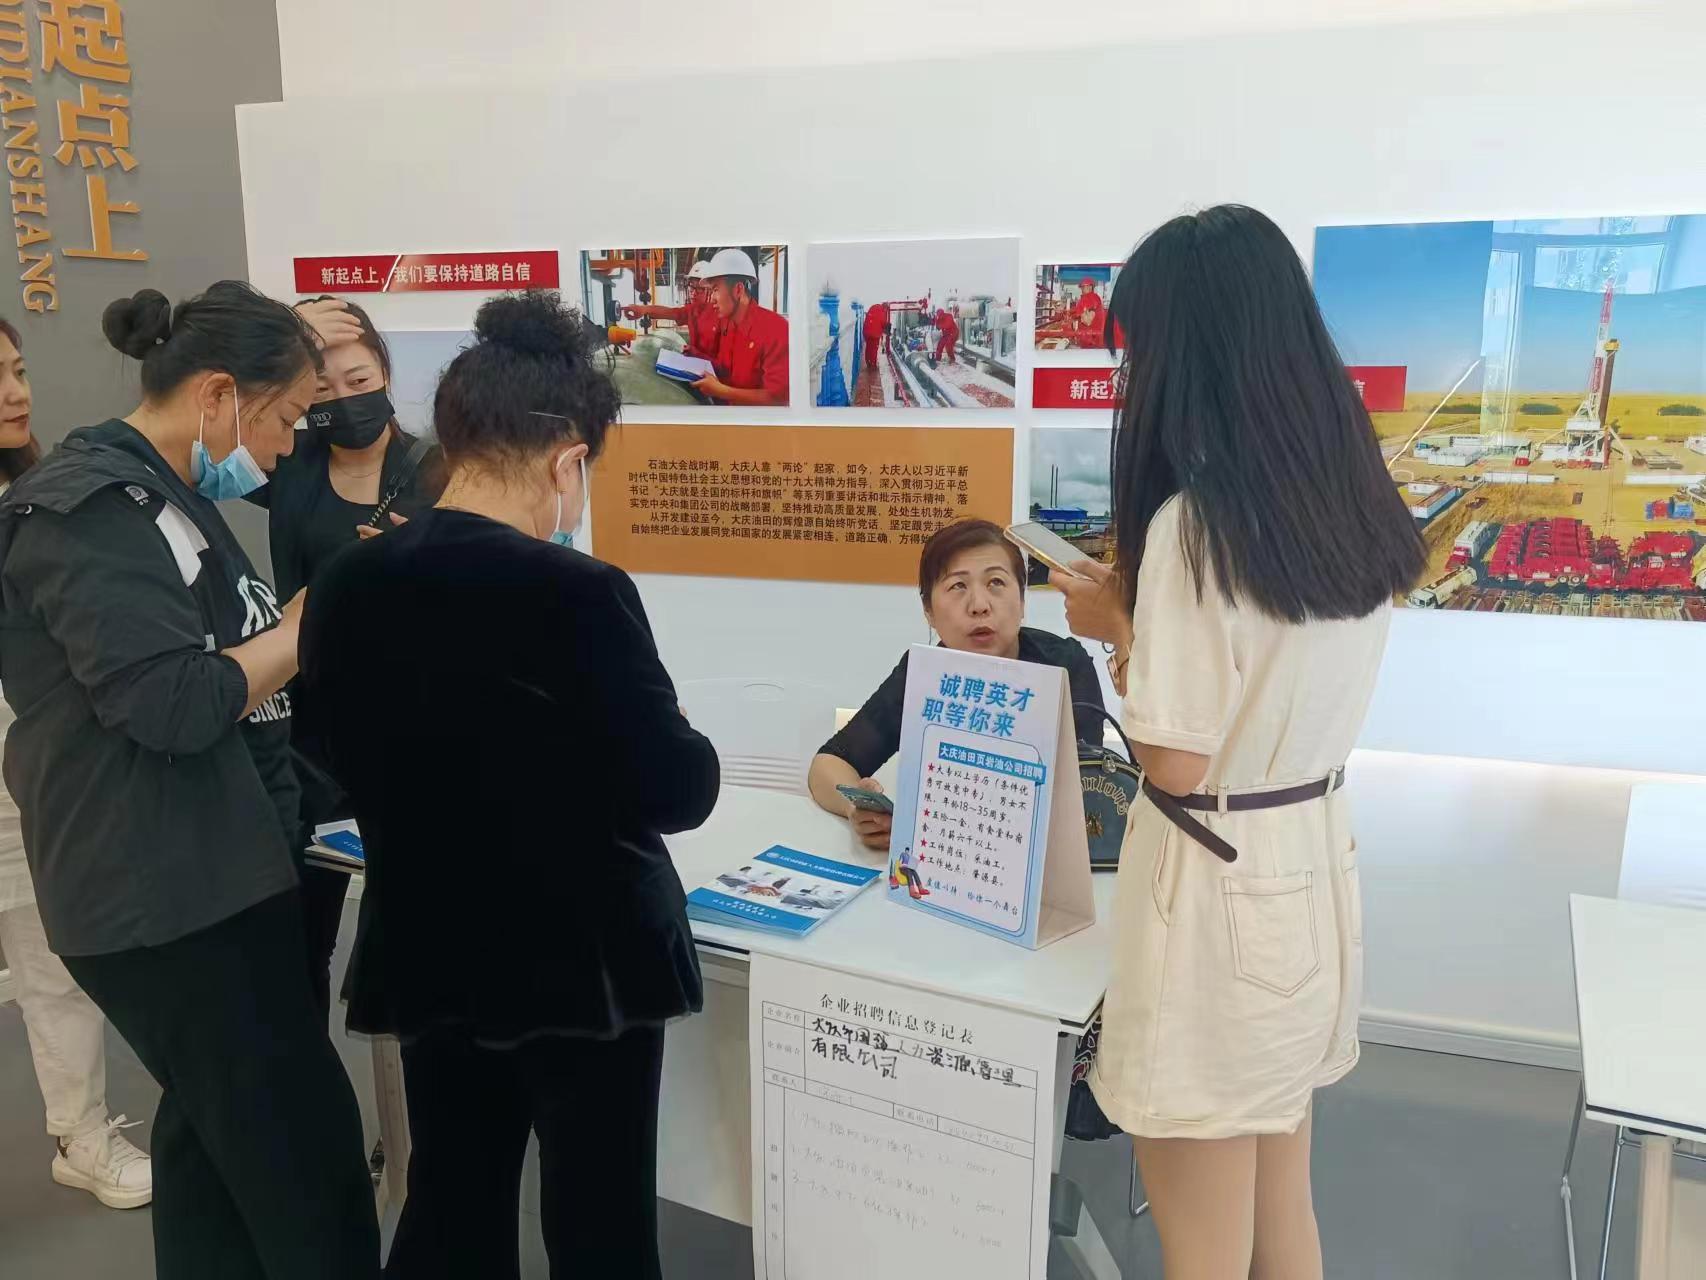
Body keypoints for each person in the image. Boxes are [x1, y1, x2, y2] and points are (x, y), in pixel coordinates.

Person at [297, 290, 719, 1280]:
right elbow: (675, 788)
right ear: (569, 460)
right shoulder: (581, 591)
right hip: (586, 965)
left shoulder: (348, 583)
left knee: (452, 1202)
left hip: (430, 946)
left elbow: (330, 758)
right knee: (600, 1221)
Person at [1049, 205, 1425, 1280]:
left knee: (1204, 1245)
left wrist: (1120, 624)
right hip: (1309, 867)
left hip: (1212, 894)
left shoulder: (1193, 528)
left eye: (1141, 350)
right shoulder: (1351, 503)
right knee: (1282, 1214)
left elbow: (1175, 760)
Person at [0, 282, 380, 1279]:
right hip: (167, 896)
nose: (286, 449)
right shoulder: (88, 510)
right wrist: (307, 625)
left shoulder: (166, 498)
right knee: (307, 1165)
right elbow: (170, 701)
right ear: (218, 395)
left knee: (212, 1147)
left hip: (215, 868)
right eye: (284, 418)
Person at [247, 294, 446, 1018]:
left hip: (412, 733)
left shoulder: (439, 472)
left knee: (415, 923)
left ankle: (416, 1070)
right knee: (301, 929)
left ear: (385, 373)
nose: (343, 400)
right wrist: (291, 334)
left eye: (358, 381)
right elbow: (205, 411)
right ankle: (302, 1065)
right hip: (308, 735)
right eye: (321, 387)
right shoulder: (287, 463)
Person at [0, 316, 153, 1210]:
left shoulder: (37, 495)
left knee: (52, 961)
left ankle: (81, 1135)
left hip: (30, 772)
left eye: (18, 370)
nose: (15, 393)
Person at [807, 518, 1105, 851]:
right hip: (944, 858)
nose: (979, 605)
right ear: (929, 612)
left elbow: (1090, 789)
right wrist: (857, 810)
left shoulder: (1064, 665)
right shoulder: (922, 673)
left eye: (996, 582)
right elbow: (829, 763)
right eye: (958, 586)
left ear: (1022, 602)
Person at [693, 247, 789, 406]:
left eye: (716, 290)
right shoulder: (730, 326)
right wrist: (696, 357)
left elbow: (778, 399)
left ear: (738, 290)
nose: (712, 299)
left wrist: (721, 391)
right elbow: (725, 370)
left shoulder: (776, 329)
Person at [623, 258, 721, 358]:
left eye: (700, 289)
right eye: (691, 287)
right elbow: (669, 312)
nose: (694, 293)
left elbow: (723, 360)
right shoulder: (692, 310)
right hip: (696, 363)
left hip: (710, 367)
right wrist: (643, 309)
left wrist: (696, 353)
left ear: (711, 289)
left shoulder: (721, 313)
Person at [1067, 276, 1107, 348]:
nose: (1082, 289)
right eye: (1082, 287)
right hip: (1090, 337)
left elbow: (1087, 320)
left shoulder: (1091, 297)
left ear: (1090, 287)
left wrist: (1071, 315)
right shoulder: (1090, 298)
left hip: (1091, 339)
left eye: (1083, 287)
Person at [861, 300, 890, 370]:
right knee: (874, 348)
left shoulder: (874, 307)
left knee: (868, 347)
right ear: (885, 307)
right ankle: (873, 364)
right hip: (875, 334)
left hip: (867, 331)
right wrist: (887, 326)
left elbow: (869, 316)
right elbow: (883, 322)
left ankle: (868, 362)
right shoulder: (882, 311)